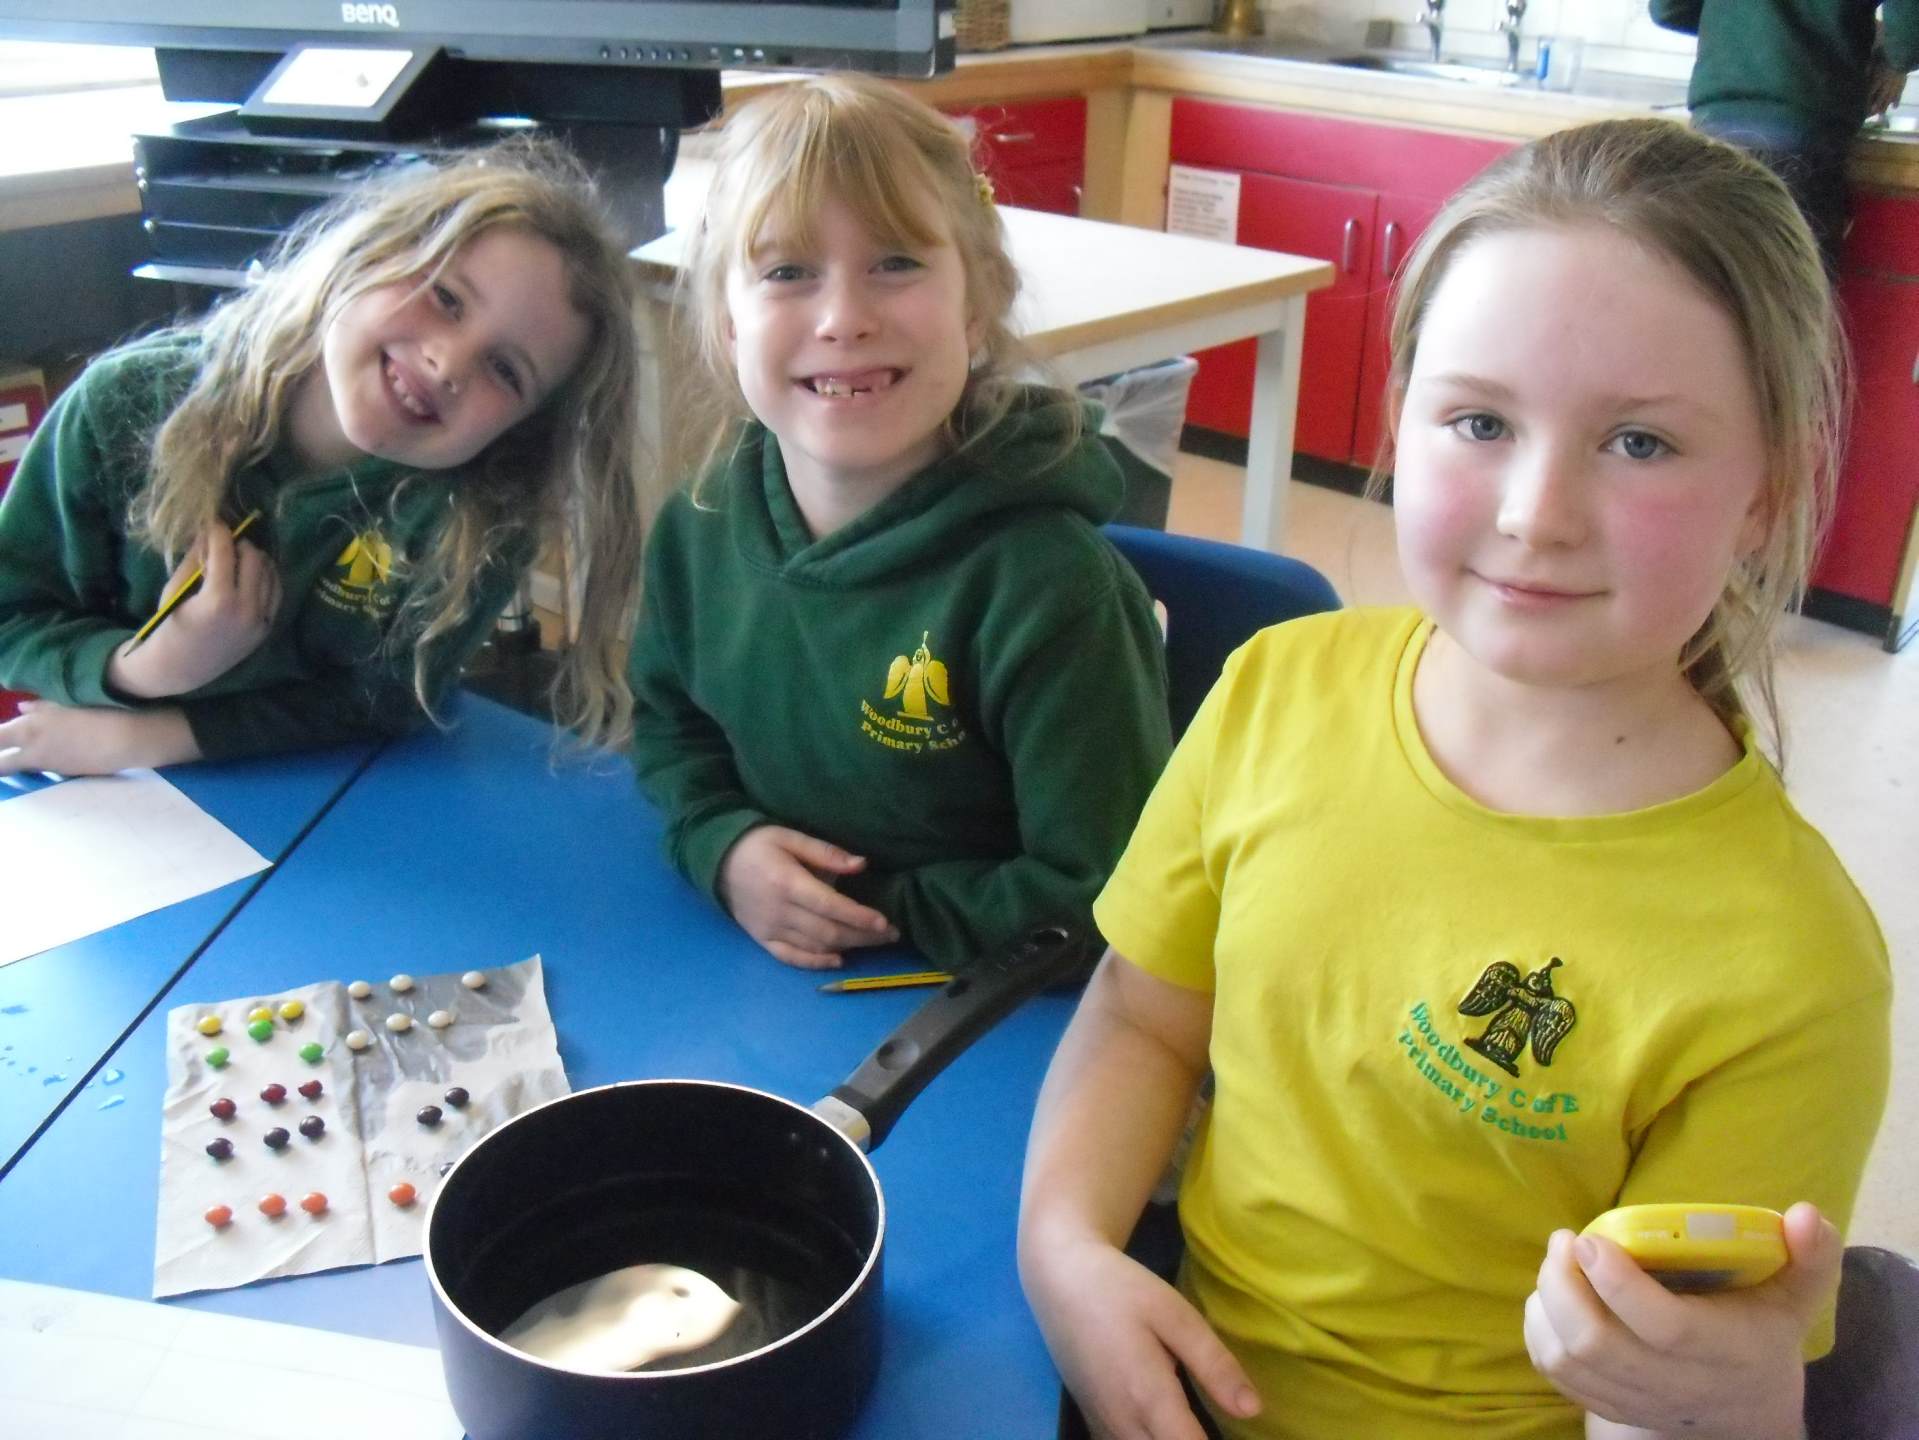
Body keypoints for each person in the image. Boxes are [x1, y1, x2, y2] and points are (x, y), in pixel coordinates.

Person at [1019, 118, 1891, 1440]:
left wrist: (1732, 1397)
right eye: (1479, 421)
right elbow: (1144, 1016)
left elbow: (1685, 1380)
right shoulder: (1273, 689)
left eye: (1637, 444)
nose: (1535, 513)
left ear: (1765, 490)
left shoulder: (1788, 971)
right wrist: (1064, 1246)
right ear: (1402, 416)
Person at [628, 73, 1171, 972]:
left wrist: (859, 908)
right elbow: (670, 726)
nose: (844, 318)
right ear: (726, 325)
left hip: (988, 1002)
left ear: (976, 306)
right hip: (745, 972)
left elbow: (1106, 897)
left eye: (895, 263)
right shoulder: (699, 522)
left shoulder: (1052, 589)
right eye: (787, 272)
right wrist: (721, 845)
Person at [0, 136, 643, 774]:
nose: (447, 363)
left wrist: (160, 736)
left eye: (505, 370)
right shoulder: (124, 404)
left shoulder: (482, 520)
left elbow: (389, 696)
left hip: (291, 787)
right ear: (371, 252)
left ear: (519, 431)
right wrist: (150, 667)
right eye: (446, 298)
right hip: (96, 792)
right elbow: (13, 616)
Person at [1651, 0, 1919, 272]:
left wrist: (1739, 27)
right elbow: (1908, 35)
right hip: (1804, 128)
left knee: (1711, 283)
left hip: (1714, 123)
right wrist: (1891, 60)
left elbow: (1668, 8)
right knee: (1791, 287)